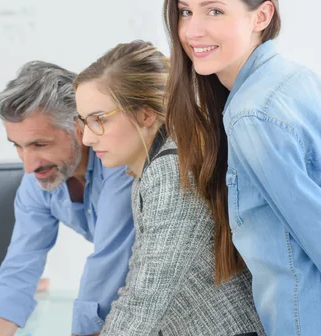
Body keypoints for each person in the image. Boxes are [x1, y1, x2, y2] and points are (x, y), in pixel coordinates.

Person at [163, 0, 321, 334]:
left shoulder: (252, 114)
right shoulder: (295, 79)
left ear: (261, 16)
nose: (193, 30)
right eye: (185, 12)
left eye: (214, 11)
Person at [74, 40, 264, 335]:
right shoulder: (153, 167)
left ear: (146, 115)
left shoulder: (169, 175)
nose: (87, 138)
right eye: (83, 121)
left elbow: (145, 298)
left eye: (99, 120)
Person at [0, 61, 135, 336]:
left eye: (40, 144)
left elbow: (107, 263)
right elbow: (17, 274)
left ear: (79, 128)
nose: (28, 165)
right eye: (18, 146)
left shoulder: (120, 164)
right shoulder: (35, 183)